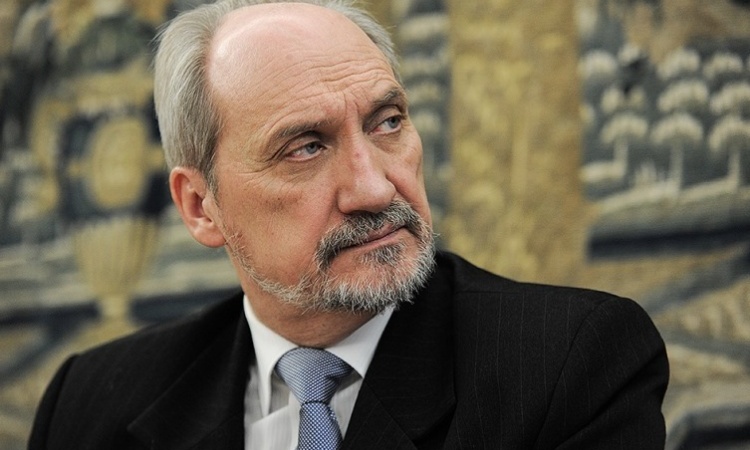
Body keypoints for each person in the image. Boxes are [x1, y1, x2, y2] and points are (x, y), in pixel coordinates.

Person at [29, 0, 669, 448]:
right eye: (306, 147)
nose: (374, 187)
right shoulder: (90, 404)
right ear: (201, 206)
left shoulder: (566, 365)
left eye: (387, 123)